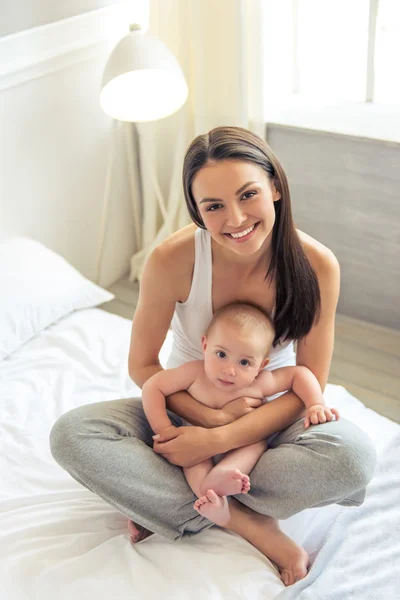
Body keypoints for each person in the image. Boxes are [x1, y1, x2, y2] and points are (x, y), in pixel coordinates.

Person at [50, 126, 376, 587]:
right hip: (185, 408)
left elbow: (310, 383)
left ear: (276, 188)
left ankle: (172, 504)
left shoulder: (316, 264)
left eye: (248, 195)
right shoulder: (172, 259)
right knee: (73, 435)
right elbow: (143, 365)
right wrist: (204, 422)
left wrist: (220, 439)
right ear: (197, 211)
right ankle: (246, 520)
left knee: (353, 458)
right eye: (214, 206)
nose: (235, 218)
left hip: (268, 417)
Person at [142, 301, 340, 537]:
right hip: (194, 443)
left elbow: (301, 374)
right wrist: (163, 428)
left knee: (256, 443)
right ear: (205, 345)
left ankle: (222, 480)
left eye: (244, 362)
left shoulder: (260, 382)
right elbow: (153, 386)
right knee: (191, 463)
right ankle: (214, 500)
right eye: (221, 354)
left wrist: (315, 404)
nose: (230, 370)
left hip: (240, 444)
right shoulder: (194, 373)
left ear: (261, 365)